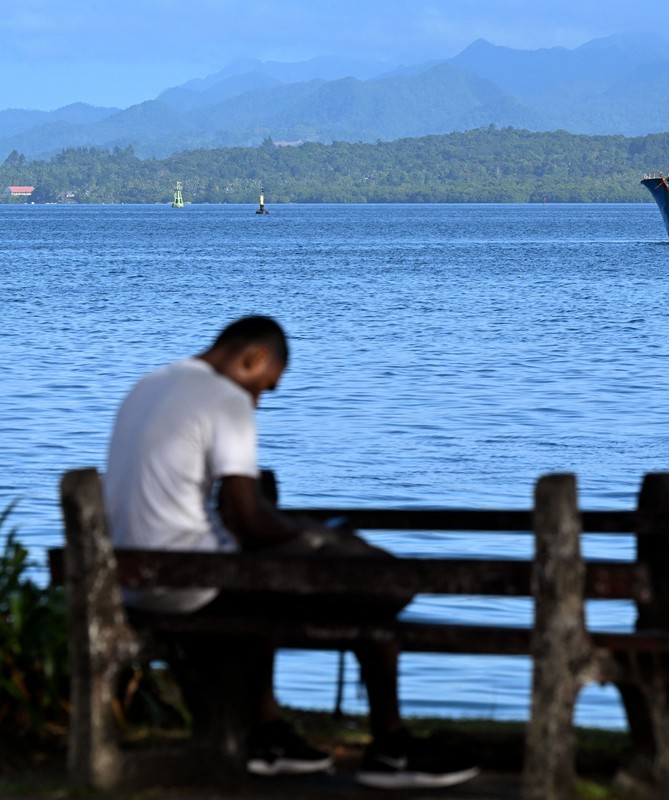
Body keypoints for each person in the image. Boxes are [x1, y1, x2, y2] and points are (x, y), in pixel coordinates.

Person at [104, 315, 478, 789]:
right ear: (253, 358)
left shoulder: (149, 385)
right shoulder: (226, 399)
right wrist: (317, 535)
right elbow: (250, 521)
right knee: (377, 585)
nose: (258, 400)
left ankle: (267, 735)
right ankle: (390, 748)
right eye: (265, 386)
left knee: (274, 581)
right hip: (190, 587)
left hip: (137, 587)